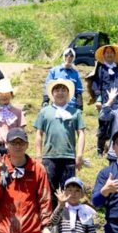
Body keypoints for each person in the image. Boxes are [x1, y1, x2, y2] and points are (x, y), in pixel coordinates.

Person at [33, 80, 86, 210]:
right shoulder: (45, 112)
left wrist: (79, 155)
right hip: (49, 157)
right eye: (57, 90)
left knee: (68, 189)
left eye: (63, 90)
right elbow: (38, 134)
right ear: (52, 93)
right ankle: (51, 220)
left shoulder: (75, 112)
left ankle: (66, 220)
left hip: (68, 157)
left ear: (68, 93)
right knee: (50, 188)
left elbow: (81, 134)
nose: (60, 93)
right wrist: (39, 156)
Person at [86, 44, 118, 157]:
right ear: (103, 55)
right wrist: (98, 99)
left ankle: (117, 148)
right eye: (107, 53)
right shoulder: (100, 69)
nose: (109, 54)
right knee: (104, 125)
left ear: (114, 55)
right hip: (106, 102)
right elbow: (96, 85)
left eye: (111, 52)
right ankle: (100, 150)